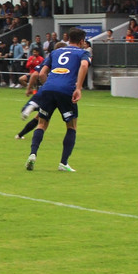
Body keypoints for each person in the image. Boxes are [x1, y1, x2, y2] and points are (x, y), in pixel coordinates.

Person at [22, 29, 90, 173]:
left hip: (48, 89)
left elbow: (41, 74)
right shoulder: (82, 53)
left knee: (41, 124)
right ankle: (63, 163)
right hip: (66, 90)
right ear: (82, 41)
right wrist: (78, 88)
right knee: (71, 126)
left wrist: (49, 86)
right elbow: (84, 65)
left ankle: (32, 154)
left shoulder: (55, 52)